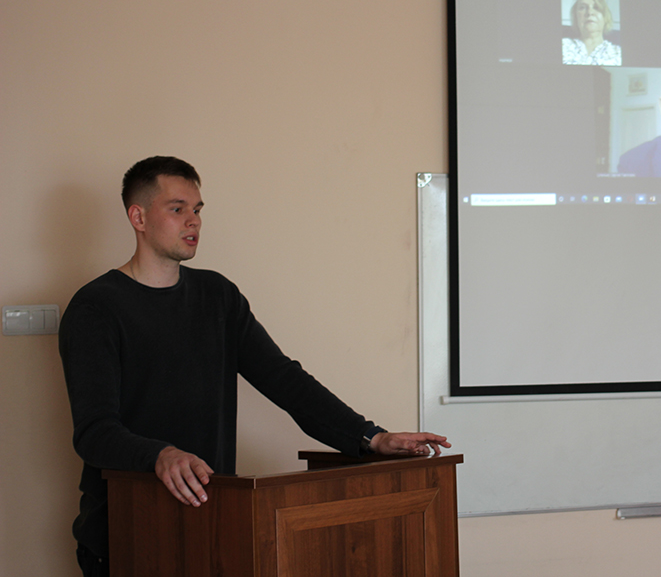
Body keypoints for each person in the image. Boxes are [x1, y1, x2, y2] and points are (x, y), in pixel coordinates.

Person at [58, 156, 450, 577]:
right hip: (126, 533)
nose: (193, 221)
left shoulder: (217, 297)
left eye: (197, 209)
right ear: (138, 217)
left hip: (211, 525)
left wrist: (371, 437)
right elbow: (95, 432)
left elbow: (283, 378)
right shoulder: (96, 308)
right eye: (177, 208)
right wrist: (160, 454)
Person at [562, 0, 622, 66]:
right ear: (576, 16)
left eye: (596, 7)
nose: (590, 12)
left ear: (605, 17)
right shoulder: (562, 45)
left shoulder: (618, 54)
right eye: (582, 7)